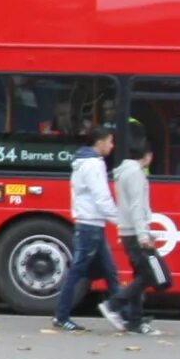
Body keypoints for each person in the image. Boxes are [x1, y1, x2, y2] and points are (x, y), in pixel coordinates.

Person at [55, 124, 121, 331]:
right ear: (100, 142)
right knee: (78, 272)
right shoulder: (93, 165)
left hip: (92, 224)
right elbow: (101, 197)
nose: (112, 146)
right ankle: (61, 315)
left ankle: (123, 314)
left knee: (109, 271)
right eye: (110, 141)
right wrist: (120, 220)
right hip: (90, 225)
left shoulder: (84, 162)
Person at [102, 127, 162, 332]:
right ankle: (113, 305)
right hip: (134, 233)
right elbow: (137, 205)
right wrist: (143, 234)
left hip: (127, 231)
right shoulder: (136, 174)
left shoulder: (123, 172)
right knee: (148, 276)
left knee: (140, 274)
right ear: (148, 156)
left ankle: (135, 320)